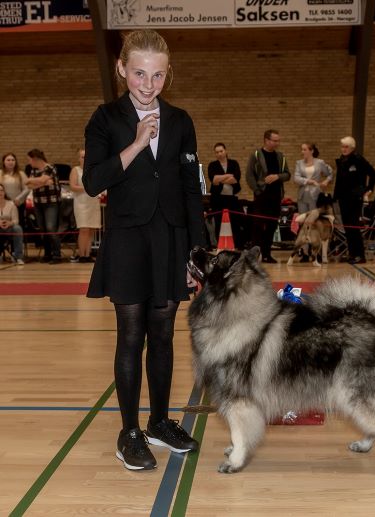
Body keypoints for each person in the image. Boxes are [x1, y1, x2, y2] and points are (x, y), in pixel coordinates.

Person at [83, 29, 205, 471]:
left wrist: (198, 253)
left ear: (167, 73)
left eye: (156, 75)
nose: (148, 84)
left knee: (166, 336)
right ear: (122, 69)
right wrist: (135, 144)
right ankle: (130, 431)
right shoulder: (105, 119)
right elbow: (93, 181)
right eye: (139, 73)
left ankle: (158, 422)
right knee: (131, 335)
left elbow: (192, 190)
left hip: (170, 238)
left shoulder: (181, 120)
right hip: (128, 239)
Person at [246, 129, 291, 263]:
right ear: (266, 140)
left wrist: (277, 176)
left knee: (271, 226)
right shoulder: (255, 155)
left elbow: (287, 174)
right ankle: (254, 256)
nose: (277, 143)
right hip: (261, 196)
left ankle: (267, 254)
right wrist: (257, 190)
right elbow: (249, 175)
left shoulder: (280, 156)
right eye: (274, 140)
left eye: (278, 140)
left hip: (276, 196)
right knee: (258, 226)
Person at [333, 136, 375, 264]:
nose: (344, 149)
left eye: (346, 147)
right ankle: (352, 253)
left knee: (353, 226)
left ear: (352, 148)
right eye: (342, 146)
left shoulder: (358, 159)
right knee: (347, 227)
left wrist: (368, 189)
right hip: (343, 198)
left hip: (355, 198)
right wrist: (335, 196)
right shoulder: (342, 160)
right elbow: (340, 181)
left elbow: (373, 173)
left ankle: (360, 255)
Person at [25, 149, 62, 264]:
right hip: (38, 203)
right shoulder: (33, 170)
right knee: (43, 230)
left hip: (51, 203)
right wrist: (43, 183)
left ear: (36, 159)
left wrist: (33, 180)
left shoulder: (50, 168)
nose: (29, 162)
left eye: (30, 160)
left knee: (51, 228)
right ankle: (47, 254)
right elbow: (29, 186)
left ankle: (57, 255)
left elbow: (33, 181)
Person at [207, 142, 244, 249]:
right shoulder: (212, 165)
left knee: (235, 221)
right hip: (217, 198)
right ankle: (220, 246)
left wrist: (220, 178)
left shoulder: (234, 163)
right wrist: (228, 176)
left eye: (221, 151)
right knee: (218, 222)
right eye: (217, 152)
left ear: (225, 151)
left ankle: (237, 245)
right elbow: (213, 180)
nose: (219, 154)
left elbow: (235, 179)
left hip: (232, 198)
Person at [69, 148, 101, 263]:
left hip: (93, 201)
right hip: (81, 202)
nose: (85, 159)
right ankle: (81, 254)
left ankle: (88, 254)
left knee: (91, 229)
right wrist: (87, 188)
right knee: (84, 229)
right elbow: (72, 186)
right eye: (82, 157)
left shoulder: (94, 170)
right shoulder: (75, 170)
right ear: (79, 158)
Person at [293, 142, 333, 214]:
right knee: (302, 220)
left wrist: (326, 181)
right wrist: (309, 181)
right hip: (302, 195)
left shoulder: (320, 162)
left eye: (305, 150)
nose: (302, 152)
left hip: (316, 194)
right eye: (302, 150)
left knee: (314, 220)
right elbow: (296, 178)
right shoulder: (299, 163)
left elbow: (330, 173)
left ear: (311, 151)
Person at [0, 153, 30, 229]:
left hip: (17, 204)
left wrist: (18, 199)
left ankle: (20, 240)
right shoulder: (0, 173)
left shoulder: (21, 174)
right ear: (4, 162)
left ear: (15, 162)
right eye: (8, 160)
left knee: (18, 224)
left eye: (13, 160)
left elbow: (27, 188)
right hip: (2, 204)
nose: (11, 162)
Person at [0, 183, 24, 264]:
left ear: (4, 192)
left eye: (1, 190)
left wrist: (9, 223)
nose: (0, 193)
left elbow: (16, 221)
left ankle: (18, 257)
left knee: (17, 228)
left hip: (9, 229)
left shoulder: (11, 204)